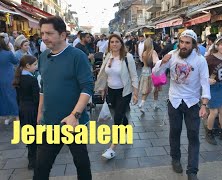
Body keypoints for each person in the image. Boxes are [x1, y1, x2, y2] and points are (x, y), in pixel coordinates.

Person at [34, 16, 93, 180]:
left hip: (74, 124)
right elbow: (43, 87)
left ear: (63, 35)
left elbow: (87, 87)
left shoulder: (77, 56)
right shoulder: (43, 56)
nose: (44, 37)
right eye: (42, 33)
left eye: (49, 33)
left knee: (81, 164)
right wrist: (40, 113)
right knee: (41, 167)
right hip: (49, 123)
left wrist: (75, 115)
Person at [152, 29, 210, 180]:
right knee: (175, 132)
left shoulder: (200, 60)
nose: (183, 45)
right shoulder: (171, 56)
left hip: (192, 102)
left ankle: (192, 171)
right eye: (182, 42)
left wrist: (204, 104)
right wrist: (161, 62)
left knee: (193, 136)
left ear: (193, 44)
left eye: (187, 43)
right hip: (174, 101)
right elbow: (157, 74)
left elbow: (205, 83)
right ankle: (175, 159)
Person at [95, 33, 139, 159]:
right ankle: (126, 127)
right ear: (109, 44)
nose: (114, 44)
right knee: (119, 114)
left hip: (124, 92)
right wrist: (102, 88)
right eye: (112, 42)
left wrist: (135, 93)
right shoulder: (108, 56)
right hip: (111, 92)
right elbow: (104, 73)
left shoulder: (127, 57)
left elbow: (134, 75)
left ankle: (112, 148)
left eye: (117, 42)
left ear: (121, 43)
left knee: (117, 119)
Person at [12, 55, 39, 169]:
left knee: (29, 135)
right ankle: (34, 159)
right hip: (32, 110)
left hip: (22, 109)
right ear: (27, 66)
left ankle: (31, 159)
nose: (36, 67)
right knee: (35, 135)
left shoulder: (18, 79)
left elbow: (18, 98)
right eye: (34, 65)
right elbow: (36, 98)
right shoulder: (32, 80)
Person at [0, 35, 19, 125]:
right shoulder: (8, 53)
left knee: (3, 98)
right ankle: (16, 117)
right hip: (8, 78)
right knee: (11, 97)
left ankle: (7, 117)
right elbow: (15, 61)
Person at [138, 38, 161, 112]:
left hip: (145, 71)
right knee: (155, 89)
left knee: (146, 89)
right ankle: (155, 104)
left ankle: (142, 103)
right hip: (153, 72)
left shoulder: (143, 53)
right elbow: (156, 62)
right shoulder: (153, 52)